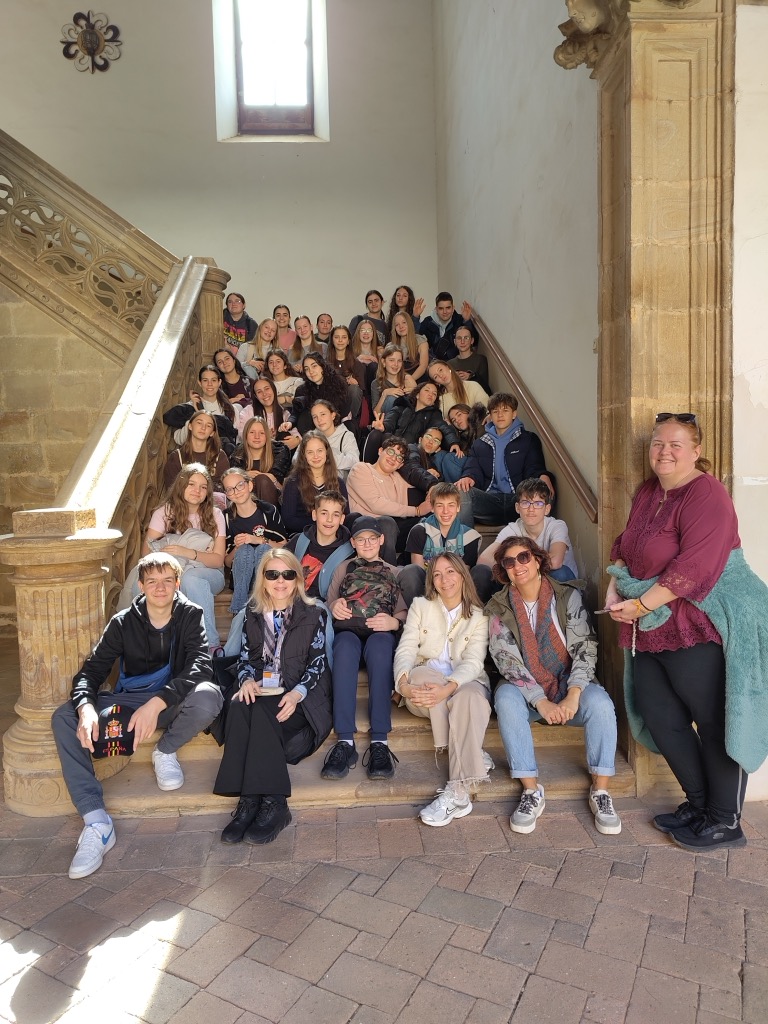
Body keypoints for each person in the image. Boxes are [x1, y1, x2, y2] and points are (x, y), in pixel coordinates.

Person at [606, 412, 768, 852]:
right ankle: (699, 806)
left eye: (675, 444)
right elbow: (625, 544)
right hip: (651, 623)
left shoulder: (707, 493)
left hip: (697, 621)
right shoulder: (648, 491)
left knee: (714, 721)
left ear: (695, 451)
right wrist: (615, 584)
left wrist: (640, 604)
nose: (664, 451)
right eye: (658, 443)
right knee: (660, 715)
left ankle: (725, 820)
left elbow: (694, 568)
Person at [51, 552, 222, 879]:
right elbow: (90, 672)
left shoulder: (190, 614)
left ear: (177, 583)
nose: (160, 588)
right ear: (141, 586)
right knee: (64, 717)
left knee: (209, 696)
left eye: (167, 580)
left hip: (168, 700)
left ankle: (165, 750)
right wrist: (86, 708)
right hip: (128, 702)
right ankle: (96, 821)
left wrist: (157, 703)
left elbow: (200, 666)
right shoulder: (123, 622)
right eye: (152, 581)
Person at [488, 537, 622, 837]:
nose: (517, 566)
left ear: (537, 560)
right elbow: (507, 662)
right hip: (527, 692)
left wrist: (573, 695)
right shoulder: (498, 607)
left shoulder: (567, 596)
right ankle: (531, 791)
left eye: (524, 557)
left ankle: (601, 791)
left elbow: (585, 647)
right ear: (504, 571)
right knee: (505, 697)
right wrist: (540, 701)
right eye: (509, 562)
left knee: (600, 704)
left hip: (567, 681)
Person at [213, 550, 331, 845]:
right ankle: (249, 801)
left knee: (262, 712)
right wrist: (246, 680)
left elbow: (318, 663)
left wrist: (296, 694)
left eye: (287, 574)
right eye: (272, 574)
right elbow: (245, 659)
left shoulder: (314, 613)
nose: (280, 581)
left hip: (301, 698)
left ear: (297, 579)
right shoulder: (252, 615)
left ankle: (275, 803)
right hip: (264, 689)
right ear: (262, 579)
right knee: (239, 704)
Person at [394, 554, 493, 826]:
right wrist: (403, 684)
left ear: (462, 575)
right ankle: (472, 751)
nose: (444, 579)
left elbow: (474, 662)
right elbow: (406, 647)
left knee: (470, 697)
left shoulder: (479, 616)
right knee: (429, 682)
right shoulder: (421, 606)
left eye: (450, 572)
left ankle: (458, 793)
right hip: (423, 683)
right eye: (437, 574)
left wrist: (447, 689)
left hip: (462, 682)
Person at [321, 517, 406, 781]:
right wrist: (334, 606)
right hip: (349, 630)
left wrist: (393, 622)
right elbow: (329, 601)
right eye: (361, 539)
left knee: (381, 649)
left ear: (382, 540)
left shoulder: (394, 571)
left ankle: (380, 741)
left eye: (372, 538)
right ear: (353, 542)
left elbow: (403, 613)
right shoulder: (344, 568)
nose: (367, 543)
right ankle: (345, 741)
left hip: (379, 633)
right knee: (344, 649)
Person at [142, 463, 227, 654]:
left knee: (191, 578)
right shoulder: (164, 513)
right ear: (181, 485)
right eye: (191, 484)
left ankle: (210, 646)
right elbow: (147, 555)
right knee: (176, 580)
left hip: (210, 574)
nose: (197, 490)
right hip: (175, 572)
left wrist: (188, 552)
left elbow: (217, 560)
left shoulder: (215, 514)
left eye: (203, 487)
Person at [457, 392, 551, 525]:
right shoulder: (480, 444)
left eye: (505, 410)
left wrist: (543, 475)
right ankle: (466, 537)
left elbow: (534, 467)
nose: (500, 415)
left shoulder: (528, 439)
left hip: (519, 500)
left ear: (514, 414)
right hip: (490, 501)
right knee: (460, 490)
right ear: (490, 415)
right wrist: (468, 476)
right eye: (495, 411)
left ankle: (532, 537)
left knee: (543, 489)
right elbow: (472, 467)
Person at [476, 479, 577, 600]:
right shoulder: (513, 529)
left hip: (558, 586)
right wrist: (515, 571)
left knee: (560, 572)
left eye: (538, 503)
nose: (531, 509)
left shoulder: (557, 526)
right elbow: (484, 560)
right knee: (481, 572)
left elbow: (555, 561)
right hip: (524, 587)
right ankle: (489, 611)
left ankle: (569, 611)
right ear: (517, 507)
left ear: (547, 509)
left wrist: (520, 567)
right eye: (525, 503)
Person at [347, 435, 432, 563]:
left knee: (427, 521)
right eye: (391, 452)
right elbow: (376, 504)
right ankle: (387, 570)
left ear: (400, 465)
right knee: (387, 522)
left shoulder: (397, 478)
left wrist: (431, 482)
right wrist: (416, 511)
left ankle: (413, 566)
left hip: (394, 530)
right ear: (380, 451)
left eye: (399, 457)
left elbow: (420, 481)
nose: (393, 458)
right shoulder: (361, 469)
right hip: (366, 528)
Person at [400, 482, 484, 602]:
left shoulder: (469, 536)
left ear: (458, 507)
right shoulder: (419, 531)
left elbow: (462, 576)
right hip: (426, 589)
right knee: (411, 571)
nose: (445, 511)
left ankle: (471, 610)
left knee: (481, 571)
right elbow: (418, 570)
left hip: (454, 589)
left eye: (451, 505)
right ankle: (417, 611)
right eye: (440, 505)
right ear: (432, 507)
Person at [223, 467, 287, 613]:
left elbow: (284, 547)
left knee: (263, 549)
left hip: (267, 577)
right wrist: (237, 547)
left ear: (250, 485)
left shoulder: (268, 511)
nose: (236, 491)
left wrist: (259, 540)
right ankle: (239, 609)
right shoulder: (226, 517)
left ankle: (259, 603)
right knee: (244, 549)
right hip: (241, 578)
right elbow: (227, 562)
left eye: (240, 485)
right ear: (227, 494)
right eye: (230, 489)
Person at [365, 379, 460, 464]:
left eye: (434, 394)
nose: (431, 394)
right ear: (417, 395)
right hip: (391, 442)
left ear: (434, 402)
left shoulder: (434, 415)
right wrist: (383, 426)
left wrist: (453, 442)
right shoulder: (402, 407)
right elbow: (389, 421)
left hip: (410, 449)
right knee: (376, 434)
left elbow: (444, 428)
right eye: (427, 390)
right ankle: (368, 466)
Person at [286, 491, 354, 600]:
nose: (329, 519)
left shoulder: (348, 552)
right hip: (290, 599)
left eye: (335, 515)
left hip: (322, 604)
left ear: (342, 519)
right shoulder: (299, 541)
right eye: (324, 513)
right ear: (314, 515)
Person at [281, 430, 349, 535]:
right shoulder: (293, 483)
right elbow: (289, 520)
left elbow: (346, 516)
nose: (315, 456)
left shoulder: (339, 482)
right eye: (310, 452)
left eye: (320, 451)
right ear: (304, 455)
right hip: (304, 534)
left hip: (333, 535)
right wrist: (322, 525)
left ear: (326, 452)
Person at [163, 364, 239, 451]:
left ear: (219, 382)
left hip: (222, 456)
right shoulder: (189, 407)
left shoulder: (231, 409)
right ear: (200, 383)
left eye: (213, 380)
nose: (209, 384)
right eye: (205, 380)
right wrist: (196, 413)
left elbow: (236, 440)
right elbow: (180, 440)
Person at [163, 410, 230, 492]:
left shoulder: (219, 456)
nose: (203, 428)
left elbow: (224, 488)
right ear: (190, 426)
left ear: (212, 433)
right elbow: (172, 490)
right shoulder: (177, 457)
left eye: (208, 426)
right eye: (199, 423)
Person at [230, 416, 291, 505]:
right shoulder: (237, 456)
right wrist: (243, 475)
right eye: (252, 432)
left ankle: (267, 514)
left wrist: (273, 480)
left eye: (261, 433)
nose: (257, 437)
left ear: (267, 436)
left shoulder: (279, 453)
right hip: (245, 505)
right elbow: (230, 488)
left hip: (274, 504)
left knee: (262, 480)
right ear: (245, 435)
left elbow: (286, 492)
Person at [287, 353, 353, 435]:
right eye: (306, 369)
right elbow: (296, 413)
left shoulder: (339, 385)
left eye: (314, 366)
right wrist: (290, 422)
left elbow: (344, 414)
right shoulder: (302, 390)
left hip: (336, 428)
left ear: (322, 366)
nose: (311, 371)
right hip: (313, 431)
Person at [310, 399, 360, 477]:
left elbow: (354, 461)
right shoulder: (310, 437)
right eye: (315, 417)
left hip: (336, 481)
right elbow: (296, 459)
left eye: (323, 414)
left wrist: (328, 456)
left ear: (333, 415)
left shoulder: (346, 436)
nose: (319, 420)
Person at [420, 292, 475, 361]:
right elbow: (416, 339)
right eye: (441, 308)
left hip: (455, 362)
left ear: (453, 308)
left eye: (448, 308)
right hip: (431, 362)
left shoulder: (459, 320)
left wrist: (467, 321)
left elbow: (473, 342)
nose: (445, 312)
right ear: (436, 309)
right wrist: (415, 317)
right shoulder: (428, 322)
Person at [371, 345, 417, 418]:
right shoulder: (376, 383)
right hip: (386, 421)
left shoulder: (408, 379)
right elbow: (377, 415)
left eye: (399, 361)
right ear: (383, 362)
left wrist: (414, 393)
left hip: (406, 419)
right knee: (391, 398)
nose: (396, 364)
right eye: (391, 360)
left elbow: (419, 408)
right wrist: (384, 394)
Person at [449, 323, 490, 394]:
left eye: (466, 338)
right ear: (455, 342)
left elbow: (484, 386)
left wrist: (471, 376)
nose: (462, 342)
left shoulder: (480, 360)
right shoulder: (449, 363)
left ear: (472, 341)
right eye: (459, 338)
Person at [390, 311, 429, 381]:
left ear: (409, 323)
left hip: (418, 378)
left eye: (404, 322)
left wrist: (410, 381)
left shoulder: (421, 341)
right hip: (399, 379)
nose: (401, 326)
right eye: (397, 325)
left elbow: (423, 366)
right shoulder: (392, 346)